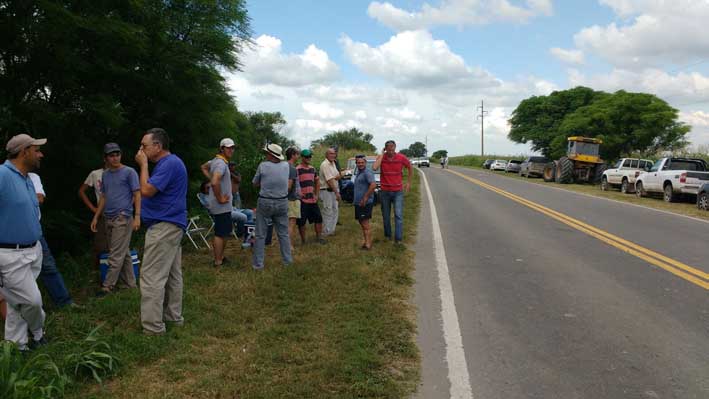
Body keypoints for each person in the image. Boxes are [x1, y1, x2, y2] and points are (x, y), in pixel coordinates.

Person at [135, 128, 187, 335]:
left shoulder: (169, 164)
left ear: (157, 146)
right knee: (173, 275)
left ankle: (153, 328)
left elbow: (146, 190)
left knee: (151, 277)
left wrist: (143, 165)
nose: (140, 150)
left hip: (164, 226)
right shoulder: (170, 163)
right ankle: (173, 318)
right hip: (172, 224)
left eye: (144, 146)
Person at [0, 134, 48, 350]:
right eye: (36, 150)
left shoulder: (27, 178)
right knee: (32, 301)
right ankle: (38, 333)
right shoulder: (2, 175)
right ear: (24, 152)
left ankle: (16, 347)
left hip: (33, 250)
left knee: (16, 302)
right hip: (10, 255)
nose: (40, 154)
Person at [91, 143, 141, 296]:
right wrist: (96, 216)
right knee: (123, 251)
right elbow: (104, 197)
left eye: (117, 154)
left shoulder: (129, 172)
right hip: (108, 217)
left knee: (115, 253)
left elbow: (137, 194)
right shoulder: (105, 174)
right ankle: (131, 285)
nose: (115, 157)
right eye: (111, 155)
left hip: (123, 217)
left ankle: (107, 287)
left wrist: (137, 217)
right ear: (105, 158)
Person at [29, 172, 77, 308]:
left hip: (35, 231)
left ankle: (64, 303)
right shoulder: (5, 175)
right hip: (11, 235)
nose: (40, 155)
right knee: (17, 274)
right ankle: (24, 310)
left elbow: (40, 198)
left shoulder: (33, 177)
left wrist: (16, 198)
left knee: (48, 266)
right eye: (37, 150)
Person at [252, 143, 293, 270]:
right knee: (283, 234)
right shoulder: (287, 166)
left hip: (265, 201)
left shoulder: (263, 166)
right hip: (282, 201)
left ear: (270, 154)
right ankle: (287, 261)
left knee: (260, 234)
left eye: (266, 153)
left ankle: (258, 265)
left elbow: (255, 183)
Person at [203, 138, 235, 267]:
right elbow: (215, 182)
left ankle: (221, 257)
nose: (231, 150)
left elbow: (203, 167)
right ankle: (218, 261)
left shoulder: (216, 161)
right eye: (228, 148)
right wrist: (221, 198)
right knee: (220, 233)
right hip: (221, 204)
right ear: (221, 148)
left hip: (221, 205)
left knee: (224, 231)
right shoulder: (220, 164)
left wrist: (211, 179)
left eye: (233, 148)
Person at [373, 140, 412, 244]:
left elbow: (409, 167)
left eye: (392, 146)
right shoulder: (382, 158)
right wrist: (381, 154)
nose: (391, 148)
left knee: (398, 215)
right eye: (388, 147)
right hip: (384, 192)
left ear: (395, 147)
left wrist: (408, 182)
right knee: (386, 215)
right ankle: (388, 236)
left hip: (398, 192)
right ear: (385, 148)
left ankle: (398, 239)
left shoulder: (401, 157)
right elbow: (374, 167)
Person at [79, 161, 109, 269]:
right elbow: (82, 191)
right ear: (105, 159)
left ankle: (118, 276)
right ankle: (98, 273)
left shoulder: (121, 172)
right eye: (110, 156)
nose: (113, 158)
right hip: (102, 212)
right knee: (100, 245)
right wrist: (94, 209)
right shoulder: (95, 174)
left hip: (118, 211)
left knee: (117, 244)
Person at [296, 149, 326, 245]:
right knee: (301, 222)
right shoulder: (297, 169)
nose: (309, 158)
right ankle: (303, 240)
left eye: (310, 156)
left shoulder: (312, 169)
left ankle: (319, 237)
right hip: (302, 200)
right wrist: (299, 193)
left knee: (318, 219)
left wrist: (316, 194)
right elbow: (295, 184)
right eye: (306, 156)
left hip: (313, 199)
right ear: (302, 157)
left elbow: (317, 181)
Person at [353, 155, 377, 250]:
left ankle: (368, 244)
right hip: (359, 202)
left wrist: (365, 197)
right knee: (362, 223)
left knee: (365, 224)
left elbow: (373, 184)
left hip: (364, 203)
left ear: (365, 163)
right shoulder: (359, 172)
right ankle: (366, 242)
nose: (360, 164)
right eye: (358, 163)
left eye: (362, 162)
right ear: (356, 164)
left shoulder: (367, 172)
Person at [319, 147, 341, 236]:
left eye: (334, 154)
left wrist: (337, 177)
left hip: (333, 190)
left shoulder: (333, 163)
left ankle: (331, 230)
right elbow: (329, 180)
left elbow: (337, 176)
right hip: (327, 191)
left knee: (335, 210)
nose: (333, 155)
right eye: (331, 154)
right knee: (328, 210)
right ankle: (325, 231)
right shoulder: (325, 164)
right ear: (326, 155)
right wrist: (337, 193)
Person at [285, 148, 301, 252]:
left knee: (287, 222)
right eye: (297, 154)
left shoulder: (283, 166)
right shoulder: (292, 168)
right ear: (293, 155)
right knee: (292, 222)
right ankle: (289, 245)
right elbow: (289, 186)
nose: (298, 156)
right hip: (291, 199)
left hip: (286, 198)